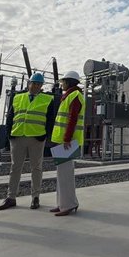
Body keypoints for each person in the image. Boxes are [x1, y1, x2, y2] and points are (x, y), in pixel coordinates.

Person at [0, 73, 55, 211]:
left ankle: (35, 197)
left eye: (38, 84)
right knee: (15, 167)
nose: (35, 86)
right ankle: (11, 197)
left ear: (41, 86)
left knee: (36, 167)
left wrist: (45, 136)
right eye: (33, 83)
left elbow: (50, 119)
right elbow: (10, 117)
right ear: (28, 83)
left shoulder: (48, 99)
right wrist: (8, 137)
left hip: (36, 137)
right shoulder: (17, 97)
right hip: (18, 136)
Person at [50, 70, 85, 216]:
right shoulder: (69, 96)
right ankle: (63, 203)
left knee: (65, 174)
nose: (61, 84)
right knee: (62, 174)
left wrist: (66, 138)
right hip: (62, 140)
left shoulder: (74, 96)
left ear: (69, 82)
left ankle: (68, 205)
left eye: (63, 81)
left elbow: (72, 119)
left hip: (67, 141)